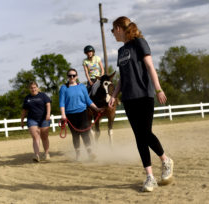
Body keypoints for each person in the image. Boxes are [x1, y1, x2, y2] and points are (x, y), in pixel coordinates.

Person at [108, 16, 174, 192]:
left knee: (145, 133)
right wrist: (114, 95)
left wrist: (158, 89)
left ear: (119, 28)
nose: (112, 33)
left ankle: (165, 160)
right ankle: (150, 177)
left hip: (144, 94)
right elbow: (122, 77)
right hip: (129, 98)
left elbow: (150, 67)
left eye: (113, 30)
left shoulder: (140, 43)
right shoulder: (122, 51)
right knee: (139, 136)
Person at [59, 68, 103, 161]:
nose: (72, 77)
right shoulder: (64, 88)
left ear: (76, 76)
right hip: (70, 115)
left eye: (73, 75)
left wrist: (96, 108)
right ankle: (78, 155)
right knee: (75, 135)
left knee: (85, 133)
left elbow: (88, 100)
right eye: (70, 75)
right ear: (67, 77)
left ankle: (90, 153)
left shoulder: (82, 87)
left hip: (82, 113)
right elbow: (62, 102)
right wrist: (63, 115)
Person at [21, 81, 51, 162]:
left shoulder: (43, 95)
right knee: (35, 136)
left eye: (34, 87)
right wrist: (22, 120)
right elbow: (24, 110)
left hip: (44, 119)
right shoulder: (27, 98)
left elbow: (48, 104)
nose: (33, 89)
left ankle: (46, 153)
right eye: (31, 88)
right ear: (29, 89)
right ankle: (37, 155)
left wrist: (48, 114)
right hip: (32, 119)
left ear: (37, 88)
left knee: (44, 137)